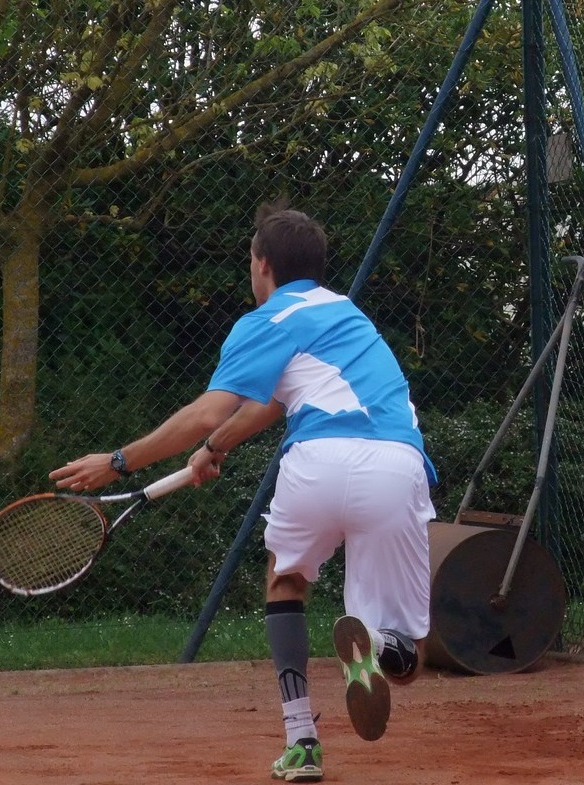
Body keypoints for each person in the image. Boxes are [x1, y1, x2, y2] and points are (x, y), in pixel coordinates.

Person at [49, 201, 437, 783]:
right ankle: (383, 647)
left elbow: (208, 410)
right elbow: (278, 398)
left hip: (318, 465)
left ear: (261, 265)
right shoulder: (351, 318)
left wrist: (119, 461)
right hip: (396, 465)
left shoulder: (264, 321)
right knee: (412, 657)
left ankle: (301, 740)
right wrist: (216, 448)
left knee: (285, 578)